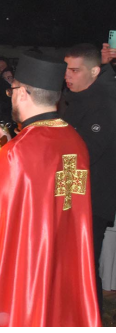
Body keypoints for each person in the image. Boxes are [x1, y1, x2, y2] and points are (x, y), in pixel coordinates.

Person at [0, 51, 100, 327]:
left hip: (28, 263)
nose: (10, 95)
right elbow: (50, 192)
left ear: (22, 93)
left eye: (12, 89)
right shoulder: (74, 141)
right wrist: (4, 145)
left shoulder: (18, 152)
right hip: (62, 255)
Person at [59, 43, 116, 316]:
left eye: (74, 70)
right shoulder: (73, 99)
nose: (68, 75)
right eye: (66, 69)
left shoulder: (105, 102)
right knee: (71, 262)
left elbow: (86, 152)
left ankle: (90, 319)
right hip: (72, 194)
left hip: (93, 199)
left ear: (94, 71)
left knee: (85, 263)